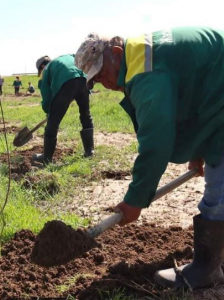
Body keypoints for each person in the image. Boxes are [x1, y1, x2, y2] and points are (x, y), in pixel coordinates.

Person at [75, 27, 224, 290]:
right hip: (217, 98)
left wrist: (135, 200)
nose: (106, 84)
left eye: (104, 74)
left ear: (117, 53)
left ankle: (207, 269)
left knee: (218, 193)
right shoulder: (143, 53)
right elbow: (198, 91)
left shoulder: (146, 71)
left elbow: (156, 142)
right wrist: (199, 150)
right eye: (97, 81)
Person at [33, 54, 94, 163]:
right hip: (83, 79)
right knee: (85, 114)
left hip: (67, 82)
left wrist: (49, 111)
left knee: (53, 122)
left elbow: (46, 95)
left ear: (42, 66)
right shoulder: (67, 57)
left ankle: (47, 158)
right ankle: (89, 152)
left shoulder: (46, 69)